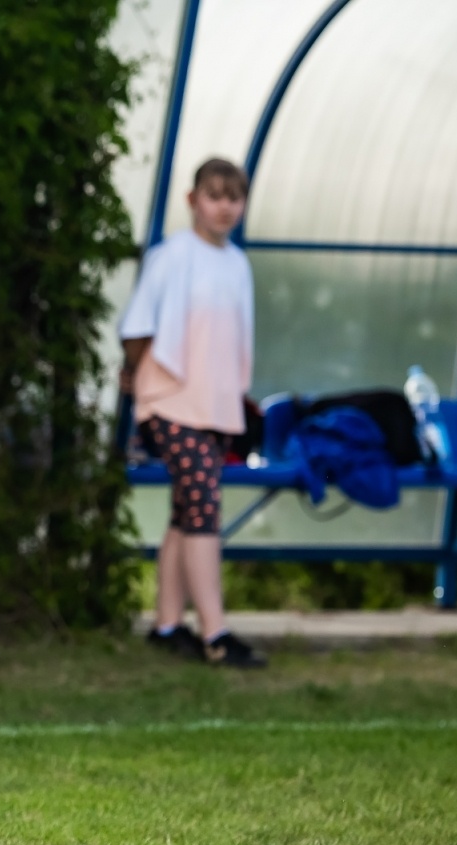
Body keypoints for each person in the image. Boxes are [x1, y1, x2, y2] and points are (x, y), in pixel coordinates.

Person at [120, 158, 266, 668]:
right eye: (215, 194)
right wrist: (137, 383)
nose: (225, 206)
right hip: (170, 402)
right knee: (204, 506)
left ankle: (166, 626)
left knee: (188, 511)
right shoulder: (171, 257)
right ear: (192, 200)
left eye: (235, 196)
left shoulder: (238, 263)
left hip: (216, 406)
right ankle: (216, 634)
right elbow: (138, 328)